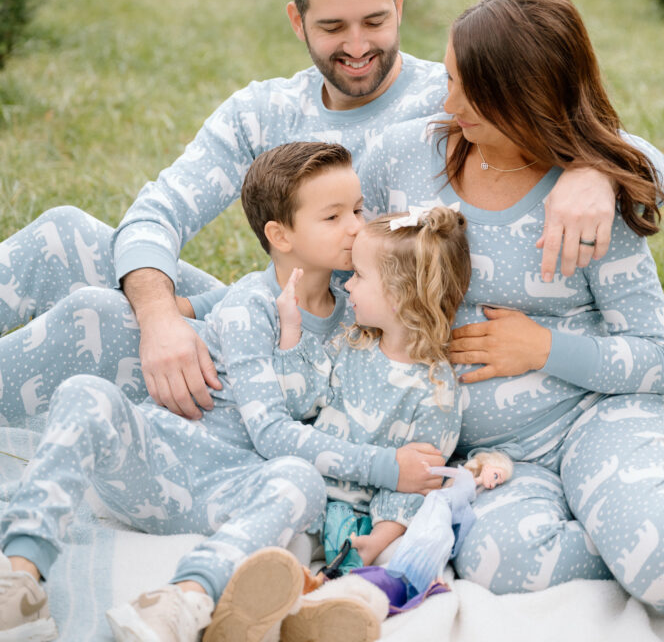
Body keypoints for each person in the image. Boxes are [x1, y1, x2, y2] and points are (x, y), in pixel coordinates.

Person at [0, 0, 654, 425]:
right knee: (63, 233)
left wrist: (593, 172)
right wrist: (161, 319)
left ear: (399, 4)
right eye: (333, 26)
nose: (358, 46)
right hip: (277, 304)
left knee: (96, 319)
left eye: (375, 20)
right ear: (297, 21)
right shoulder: (263, 112)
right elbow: (156, 214)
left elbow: (611, 145)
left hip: (333, 350)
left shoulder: (456, 97)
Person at [0, 142, 444, 642]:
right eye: (333, 216)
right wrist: (387, 468)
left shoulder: (356, 305)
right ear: (280, 235)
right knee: (87, 393)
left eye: (359, 210)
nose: (356, 227)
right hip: (161, 461)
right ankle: (21, 577)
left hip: (235, 486)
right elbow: (270, 430)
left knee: (301, 481)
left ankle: (184, 600)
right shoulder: (248, 308)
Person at [358, 0, 664, 615]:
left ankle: (637, 525)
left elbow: (659, 360)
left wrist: (541, 347)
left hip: (596, 418)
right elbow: (338, 249)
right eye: (449, 77)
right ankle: (617, 527)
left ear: (527, 94)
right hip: (495, 459)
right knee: (496, 563)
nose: (447, 101)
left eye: (469, 89)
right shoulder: (404, 159)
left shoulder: (587, 203)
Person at [273, 204, 470, 571]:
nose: (346, 284)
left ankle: (352, 582)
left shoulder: (436, 391)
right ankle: (282, 581)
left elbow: (421, 481)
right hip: (308, 491)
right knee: (284, 542)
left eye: (358, 276)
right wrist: (291, 330)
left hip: (368, 519)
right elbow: (299, 402)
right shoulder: (352, 343)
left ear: (398, 296)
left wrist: (378, 537)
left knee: (394, 556)